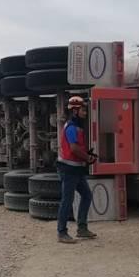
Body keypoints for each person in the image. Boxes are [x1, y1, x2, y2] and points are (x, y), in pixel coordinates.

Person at [56, 96, 97, 244]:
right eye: (83, 110)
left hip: (75, 169)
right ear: (75, 111)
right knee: (67, 200)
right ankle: (62, 232)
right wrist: (87, 158)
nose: (85, 112)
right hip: (69, 170)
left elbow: (77, 148)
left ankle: (82, 228)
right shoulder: (72, 127)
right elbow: (73, 148)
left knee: (86, 195)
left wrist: (86, 155)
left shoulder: (76, 127)